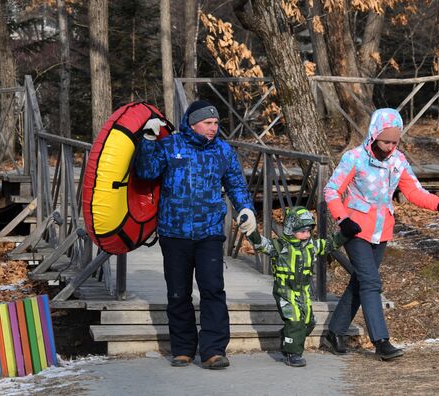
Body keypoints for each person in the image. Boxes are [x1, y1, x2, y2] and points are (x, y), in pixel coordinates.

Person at [323, 108, 439, 361]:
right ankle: (381, 341)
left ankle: (334, 332)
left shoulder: (398, 161)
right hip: (354, 230)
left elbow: (413, 191)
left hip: (382, 230)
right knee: (372, 282)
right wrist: (342, 220)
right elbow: (332, 190)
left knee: (361, 282)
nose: (390, 147)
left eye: (394, 142)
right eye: (386, 141)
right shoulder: (354, 158)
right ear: (374, 134)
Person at [135, 100, 256, 369]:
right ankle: (183, 348)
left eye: (216, 123)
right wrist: (148, 140)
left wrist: (246, 208)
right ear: (192, 124)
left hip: (209, 233)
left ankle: (213, 350)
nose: (213, 128)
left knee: (213, 289)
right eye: (208, 123)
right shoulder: (170, 146)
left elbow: (236, 184)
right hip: (173, 232)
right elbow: (145, 172)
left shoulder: (223, 151)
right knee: (178, 293)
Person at [245, 206, 357, 367]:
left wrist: (346, 233)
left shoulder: (311, 246)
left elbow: (329, 244)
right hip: (285, 290)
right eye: (302, 231)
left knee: (309, 322)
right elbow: (262, 244)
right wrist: (251, 232)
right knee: (295, 319)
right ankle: (293, 353)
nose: (306, 235)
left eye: (308, 231)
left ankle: (287, 337)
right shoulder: (280, 246)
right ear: (291, 229)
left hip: (303, 291)